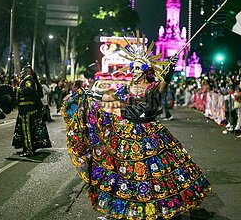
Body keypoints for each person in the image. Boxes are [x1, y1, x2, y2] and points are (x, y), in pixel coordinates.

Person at [62, 34, 211, 220]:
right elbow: (110, 99)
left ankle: (157, 207)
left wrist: (171, 67)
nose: (134, 71)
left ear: (145, 71)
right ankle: (121, 208)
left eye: (137, 68)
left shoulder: (152, 87)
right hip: (128, 131)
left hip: (150, 132)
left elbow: (164, 85)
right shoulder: (126, 88)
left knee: (153, 172)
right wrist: (92, 95)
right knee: (123, 170)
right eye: (132, 68)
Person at [12, 66, 52, 157]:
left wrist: (18, 89)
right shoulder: (30, 80)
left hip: (27, 109)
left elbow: (29, 90)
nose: (21, 73)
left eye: (23, 71)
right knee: (29, 129)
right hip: (28, 108)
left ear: (27, 72)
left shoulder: (28, 80)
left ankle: (29, 150)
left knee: (26, 130)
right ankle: (30, 148)